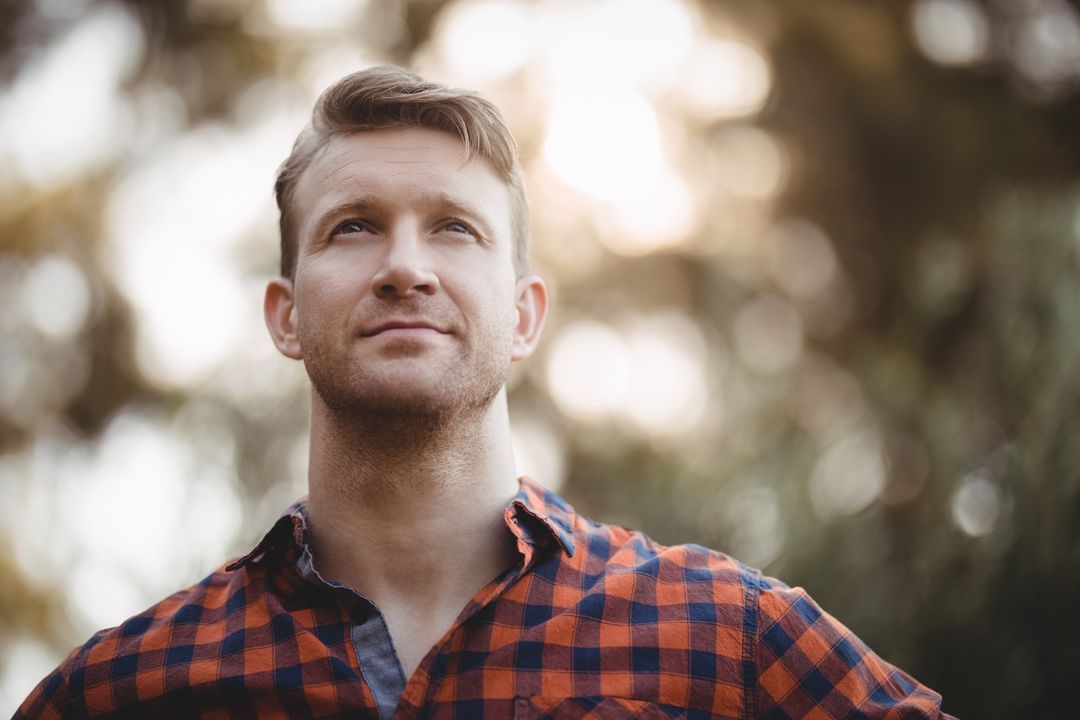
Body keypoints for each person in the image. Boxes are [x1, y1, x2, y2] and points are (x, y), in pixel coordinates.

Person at [16, 66, 956, 719]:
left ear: (523, 316)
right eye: (353, 227)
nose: (405, 267)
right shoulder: (127, 689)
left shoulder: (726, 637)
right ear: (285, 314)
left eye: (455, 229)